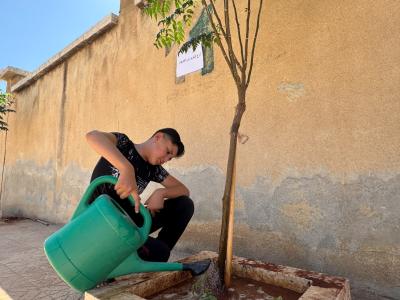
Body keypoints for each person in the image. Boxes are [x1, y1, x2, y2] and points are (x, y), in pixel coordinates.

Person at [86, 128, 194, 263]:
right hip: (102, 222)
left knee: (185, 205)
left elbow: (184, 190)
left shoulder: (153, 169)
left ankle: (142, 255)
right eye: (167, 152)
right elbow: (92, 136)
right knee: (160, 253)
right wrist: (126, 168)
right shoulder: (124, 144)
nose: (166, 159)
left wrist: (161, 193)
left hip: (129, 223)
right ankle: (117, 257)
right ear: (158, 137)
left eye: (170, 158)